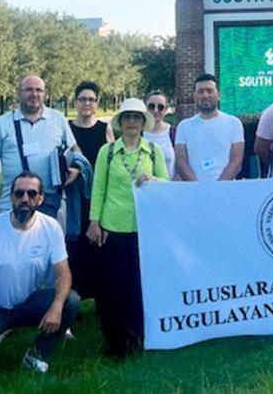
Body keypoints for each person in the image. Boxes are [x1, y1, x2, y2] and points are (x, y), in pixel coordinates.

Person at [0, 172, 80, 375]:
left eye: (32, 193)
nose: (25, 199)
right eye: (19, 193)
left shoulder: (50, 228)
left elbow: (64, 274)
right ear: (11, 197)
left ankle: (37, 355)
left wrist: (56, 307)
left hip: (27, 304)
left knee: (71, 301)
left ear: (41, 198)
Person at [86, 98, 169, 357]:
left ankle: (139, 337)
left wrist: (153, 179)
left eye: (136, 117)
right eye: (127, 118)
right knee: (113, 288)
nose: (132, 122)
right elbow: (98, 187)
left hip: (144, 230)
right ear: (120, 123)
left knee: (139, 285)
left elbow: (167, 186)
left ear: (144, 122)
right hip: (113, 229)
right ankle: (115, 341)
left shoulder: (153, 151)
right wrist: (94, 221)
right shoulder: (107, 152)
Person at [0, 74, 79, 218]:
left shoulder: (58, 119)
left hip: (50, 205)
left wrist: (76, 168)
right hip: (11, 206)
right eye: (28, 90)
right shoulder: (1, 124)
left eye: (39, 90)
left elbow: (75, 150)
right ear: (18, 93)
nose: (34, 94)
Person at [66, 81, 113, 308]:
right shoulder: (67, 129)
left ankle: (101, 301)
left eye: (91, 100)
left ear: (97, 103)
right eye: (82, 99)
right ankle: (72, 302)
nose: (87, 103)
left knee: (98, 250)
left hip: (97, 200)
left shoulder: (105, 129)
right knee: (73, 251)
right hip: (73, 202)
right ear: (76, 102)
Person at [175, 74, 245, 181]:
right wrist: (199, 188)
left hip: (226, 190)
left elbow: (236, 161)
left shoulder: (234, 123)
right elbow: (181, 162)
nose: (205, 95)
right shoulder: (184, 127)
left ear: (219, 95)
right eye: (200, 91)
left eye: (209, 90)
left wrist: (218, 187)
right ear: (194, 96)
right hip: (194, 191)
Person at [143, 90, 176, 179]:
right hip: (143, 190)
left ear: (166, 109)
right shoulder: (138, 134)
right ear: (145, 108)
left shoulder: (174, 133)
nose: (156, 110)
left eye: (160, 107)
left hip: (169, 189)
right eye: (151, 106)